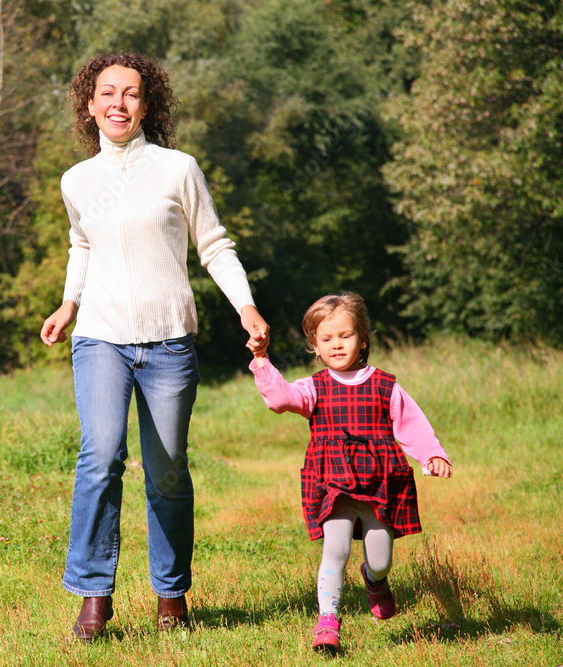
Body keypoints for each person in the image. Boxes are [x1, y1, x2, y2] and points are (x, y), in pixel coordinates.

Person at [40, 52, 269, 641]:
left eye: (132, 93)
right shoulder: (77, 180)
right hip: (100, 339)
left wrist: (245, 306)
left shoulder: (177, 168)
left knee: (167, 472)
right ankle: (93, 594)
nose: (119, 103)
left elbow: (214, 245)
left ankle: (171, 594)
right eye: (107, 93)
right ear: (89, 106)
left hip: (168, 343)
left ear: (148, 104)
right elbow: (81, 246)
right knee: (101, 457)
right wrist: (69, 303)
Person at [246, 292, 452, 655]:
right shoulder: (314, 387)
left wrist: (432, 454)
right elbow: (280, 400)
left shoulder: (385, 385)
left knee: (381, 557)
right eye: (326, 338)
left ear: (363, 338)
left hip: (379, 482)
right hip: (333, 484)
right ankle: (328, 622)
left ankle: (374, 581)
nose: (336, 344)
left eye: (345, 336)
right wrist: (261, 358)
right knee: (335, 548)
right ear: (314, 345)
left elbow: (411, 425)